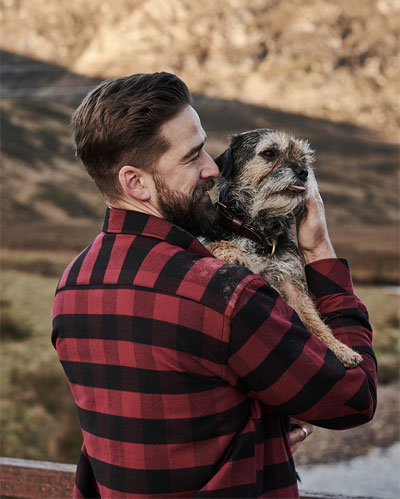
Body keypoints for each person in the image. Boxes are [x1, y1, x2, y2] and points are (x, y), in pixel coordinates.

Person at [52, 72, 377, 498]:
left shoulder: (73, 284)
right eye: (193, 156)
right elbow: (354, 396)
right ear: (136, 183)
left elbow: (117, 433)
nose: (213, 168)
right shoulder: (224, 292)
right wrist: (318, 253)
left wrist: (263, 430)